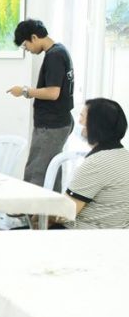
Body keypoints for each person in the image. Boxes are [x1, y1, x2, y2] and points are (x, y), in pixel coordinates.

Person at [7, 19, 74, 187]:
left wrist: (24, 91)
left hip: (51, 125)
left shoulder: (54, 56)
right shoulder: (60, 51)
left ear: (34, 37)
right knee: (51, 171)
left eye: (25, 45)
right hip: (58, 121)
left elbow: (53, 93)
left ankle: (31, 204)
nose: (27, 50)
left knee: (36, 172)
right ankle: (51, 205)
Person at [65, 98, 129, 229]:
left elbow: (65, 213)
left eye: (82, 117)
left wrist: (35, 216)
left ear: (95, 125)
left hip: (82, 235)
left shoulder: (96, 163)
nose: (79, 122)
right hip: (116, 234)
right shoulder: (124, 156)